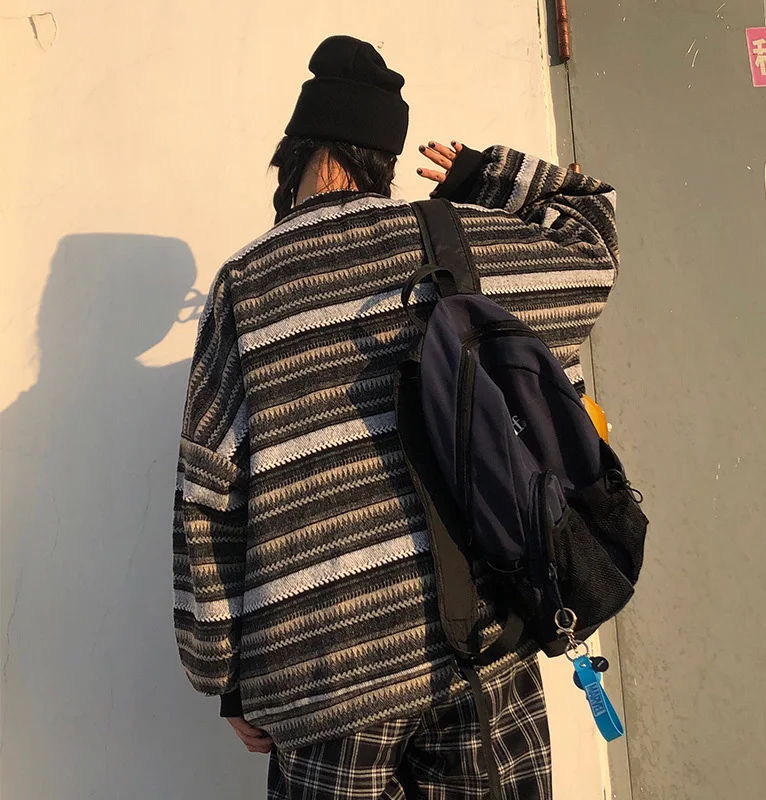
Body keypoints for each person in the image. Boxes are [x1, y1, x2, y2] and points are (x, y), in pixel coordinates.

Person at [172, 34, 618, 799]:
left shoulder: (248, 284)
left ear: (294, 155)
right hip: (477, 652)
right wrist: (486, 175)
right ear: (384, 160)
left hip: (323, 679)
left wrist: (224, 672)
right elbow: (593, 236)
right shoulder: (458, 243)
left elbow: (209, 492)